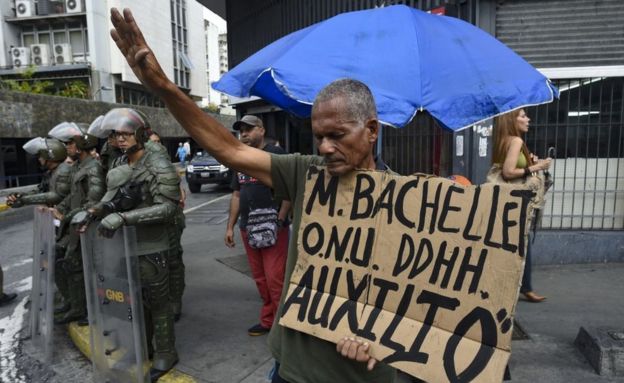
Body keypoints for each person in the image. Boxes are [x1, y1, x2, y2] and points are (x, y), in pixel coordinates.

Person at [111, 10, 394, 381]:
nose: (324, 147)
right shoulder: (305, 173)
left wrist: (380, 338)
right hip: (290, 367)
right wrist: (164, 87)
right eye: (318, 136)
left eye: (337, 135)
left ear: (371, 130)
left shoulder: (408, 204)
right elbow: (230, 151)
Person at [86, 107, 182, 379]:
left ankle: (165, 353)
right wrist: (95, 211)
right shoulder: (118, 164)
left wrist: (122, 218)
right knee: (134, 304)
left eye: (126, 133)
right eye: (116, 134)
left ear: (140, 133)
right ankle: (141, 349)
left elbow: (167, 208)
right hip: (123, 246)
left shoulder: (158, 163)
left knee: (158, 303)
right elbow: (110, 196)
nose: (120, 139)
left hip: (152, 247)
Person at [224, 115, 291, 336]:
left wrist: (280, 220)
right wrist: (230, 226)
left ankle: (283, 324)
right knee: (261, 278)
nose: (244, 134)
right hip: (248, 228)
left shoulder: (276, 154)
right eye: (241, 130)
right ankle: (268, 320)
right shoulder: (240, 159)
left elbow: (289, 189)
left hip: (273, 227)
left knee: (275, 278)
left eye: (249, 129)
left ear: (261, 130)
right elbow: (236, 194)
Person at [48, 122, 105, 324]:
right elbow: (73, 196)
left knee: (87, 271)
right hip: (75, 226)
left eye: (71, 144)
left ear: (80, 146)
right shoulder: (79, 167)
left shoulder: (93, 168)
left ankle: (90, 311)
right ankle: (76, 305)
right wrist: (60, 209)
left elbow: (93, 202)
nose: (67, 147)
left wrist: (68, 215)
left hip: (86, 227)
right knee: (69, 264)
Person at [493, 108, 552, 303]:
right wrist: (537, 166)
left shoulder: (503, 140)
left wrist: (528, 163)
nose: (528, 119)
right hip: (516, 200)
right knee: (521, 243)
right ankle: (525, 288)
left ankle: (521, 287)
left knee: (511, 243)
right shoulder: (516, 141)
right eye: (523, 116)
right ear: (512, 119)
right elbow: (508, 172)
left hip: (505, 199)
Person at [6, 138, 72, 209]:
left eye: (40, 155)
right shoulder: (51, 172)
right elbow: (41, 190)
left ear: (50, 156)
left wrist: (23, 200)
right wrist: (21, 195)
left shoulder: (64, 170)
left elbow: (57, 196)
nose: (39, 159)